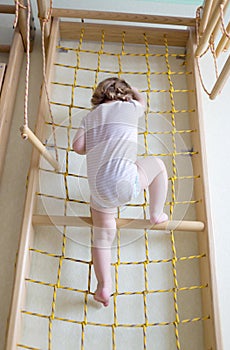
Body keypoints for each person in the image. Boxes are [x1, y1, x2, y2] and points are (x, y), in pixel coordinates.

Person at [73, 77, 168, 307]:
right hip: (125, 182)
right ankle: (156, 213)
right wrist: (132, 92)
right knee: (158, 166)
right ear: (125, 95)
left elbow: (78, 147)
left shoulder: (89, 118)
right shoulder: (131, 106)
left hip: (99, 189)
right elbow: (143, 101)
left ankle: (104, 285)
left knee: (103, 236)